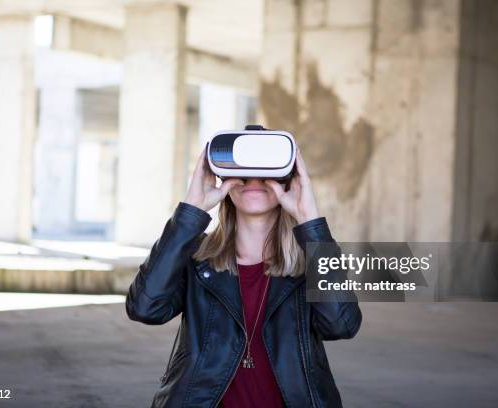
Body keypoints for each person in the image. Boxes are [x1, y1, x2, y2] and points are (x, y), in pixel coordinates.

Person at [126, 146, 362, 408]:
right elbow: (144, 308)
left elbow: (341, 325)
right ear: (224, 181)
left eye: (265, 172)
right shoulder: (195, 257)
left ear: (289, 181)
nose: (253, 181)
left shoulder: (312, 259)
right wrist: (191, 212)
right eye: (242, 172)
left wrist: (309, 220)